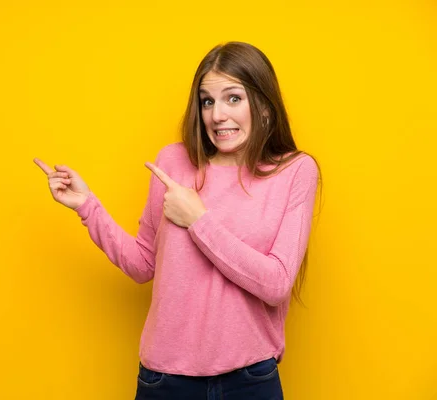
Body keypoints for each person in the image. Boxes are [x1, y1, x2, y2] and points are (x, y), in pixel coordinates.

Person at [34, 41, 321, 400]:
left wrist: (198, 220)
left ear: (264, 106)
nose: (217, 115)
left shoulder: (294, 172)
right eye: (207, 101)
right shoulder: (172, 163)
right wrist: (87, 206)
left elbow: (276, 283)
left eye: (234, 98)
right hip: (166, 381)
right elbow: (142, 265)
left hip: (250, 380)